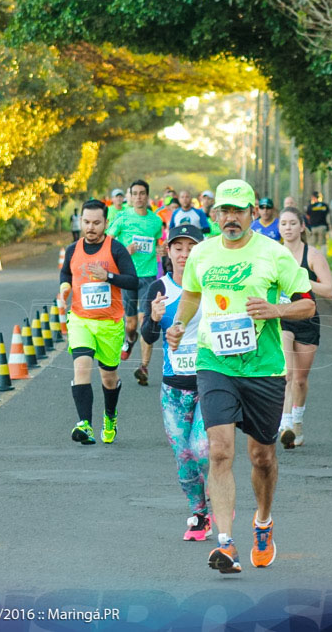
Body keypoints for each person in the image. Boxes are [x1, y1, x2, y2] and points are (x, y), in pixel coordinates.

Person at [166, 179, 314, 574]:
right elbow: (193, 293)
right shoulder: (203, 254)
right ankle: (226, 544)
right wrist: (179, 324)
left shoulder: (275, 254)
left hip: (263, 368)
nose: (231, 219)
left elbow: (307, 305)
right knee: (219, 451)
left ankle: (263, 521)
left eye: (239, 211)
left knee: (261, 457)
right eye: (224, 212)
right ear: (215, 215)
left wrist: (274, 310)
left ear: (252, 213)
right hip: (215, 362)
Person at [141, 224, 211, 540]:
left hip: (209, 382)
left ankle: (219, 497)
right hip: (173, 388)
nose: (184, 254)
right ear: (168, 252)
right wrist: (154, 320)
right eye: (178, 248)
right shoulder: (158, 288)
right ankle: (199, 514)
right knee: (183, 456)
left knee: (202, 449)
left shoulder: (213, 286)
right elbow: (145, 337)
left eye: (191, 247)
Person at [58, 200, 138, 445]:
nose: (90, 227)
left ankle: (110, 417)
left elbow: (133, 281)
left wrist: (109, 276)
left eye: (96, 223)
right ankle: (85, 424)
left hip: (110, 323)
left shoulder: (116, 249)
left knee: (108, 379)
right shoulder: (73, 249)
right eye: (86, 222)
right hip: (80, 319)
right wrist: (65, 287)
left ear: (105, 223)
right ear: (80, 221)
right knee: (81, 367)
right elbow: (65, 272)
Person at [276, 207, 332, 449]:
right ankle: (285, 425)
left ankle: (297, 423)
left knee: (300, 379)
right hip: (281, 317)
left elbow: (329, 290)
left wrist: (302, 278)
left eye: (292, 223)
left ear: (302, 227)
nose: (287, 228)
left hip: (307, 318)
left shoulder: (312, 255)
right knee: (287, 374)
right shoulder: (273, 255)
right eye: (283, 224)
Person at [106, 179, 164, 386]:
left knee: (144, 320)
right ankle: (130, 340)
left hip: (149, 276)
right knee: (130, 325)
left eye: (142, 193)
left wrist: (161, 250)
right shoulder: (122, 218)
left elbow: (158, 244)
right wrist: (124, 251)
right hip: (128, 276)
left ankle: (144, 367)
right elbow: (107, 243)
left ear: (147, 196)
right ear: (130, 197)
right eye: (135, 193)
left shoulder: (155, 221)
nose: (139, 197)